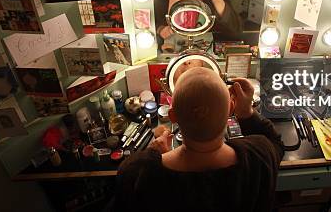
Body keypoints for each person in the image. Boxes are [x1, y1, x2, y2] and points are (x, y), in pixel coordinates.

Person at [110, 68, 284, 212]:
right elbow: (276, 144)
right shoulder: (260, 154)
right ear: (231, 108)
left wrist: (159, 156)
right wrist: (246, 111)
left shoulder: (138, 172)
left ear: (172, 116)